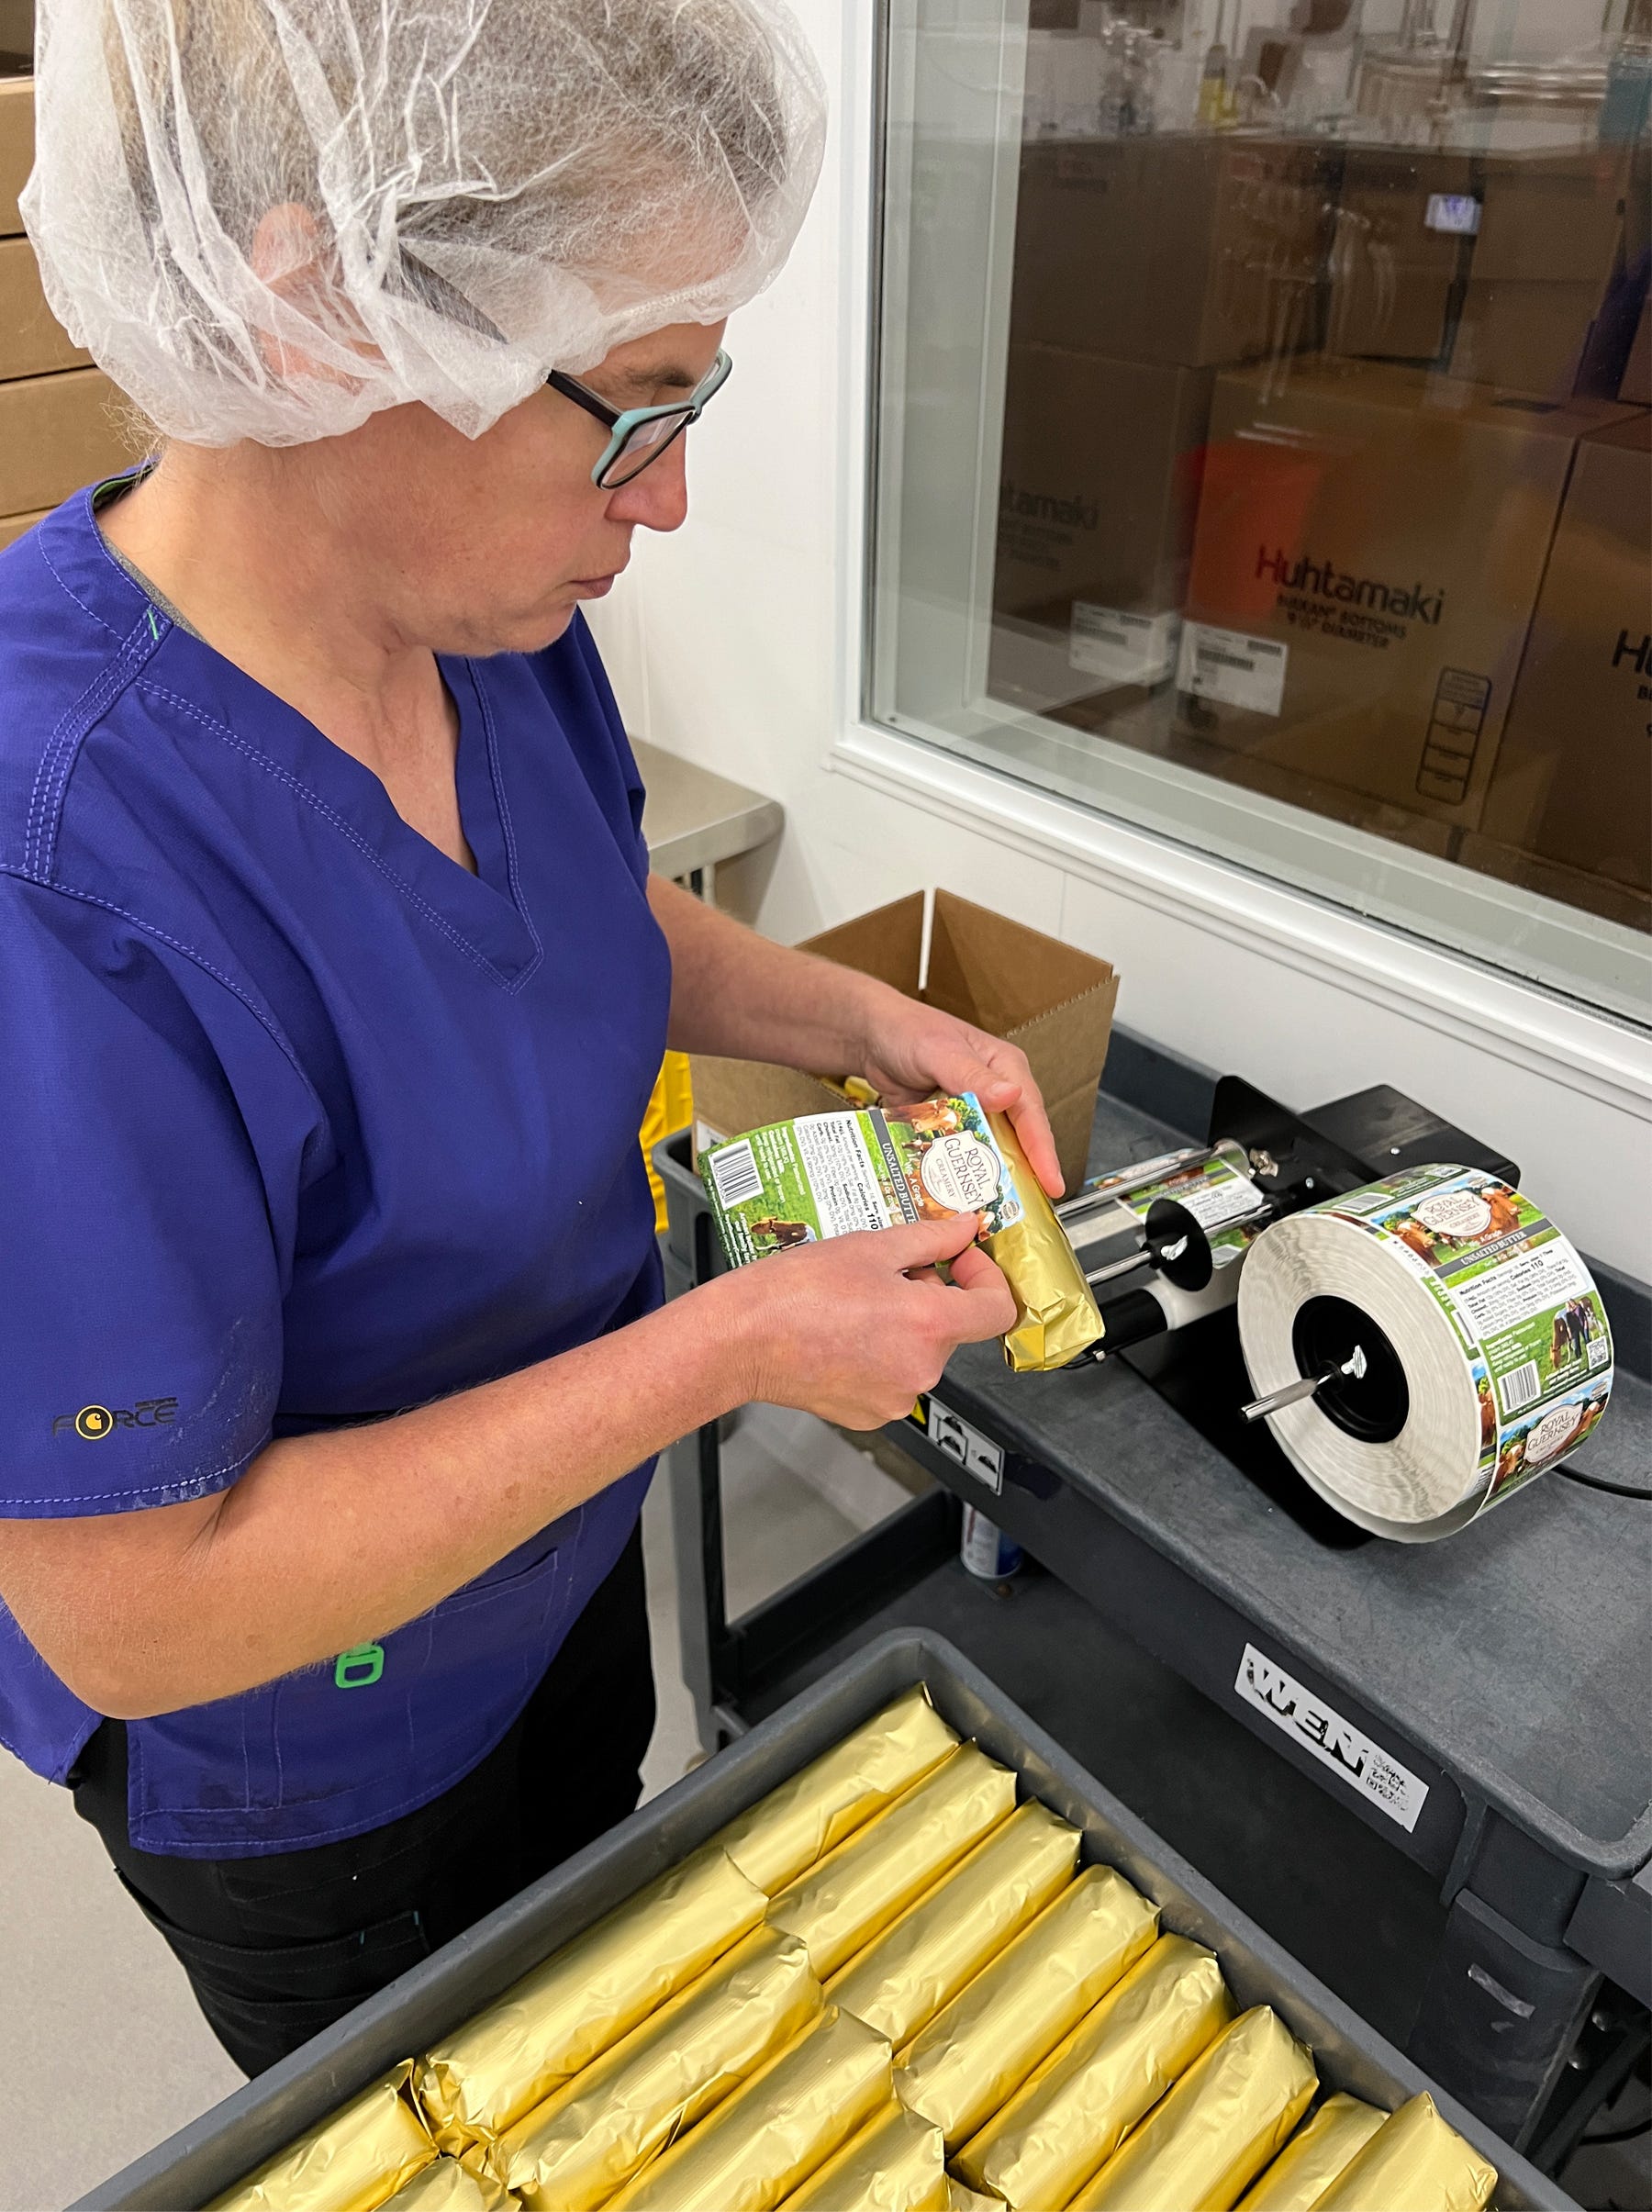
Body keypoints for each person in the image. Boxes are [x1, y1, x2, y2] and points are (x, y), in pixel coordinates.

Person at [0, 0, 1063, 2075]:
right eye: (639, 409)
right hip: (328, 1749)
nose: (661, 507)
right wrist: (733, 1347)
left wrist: (853, 1010)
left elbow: (562, 911)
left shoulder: (488, 624)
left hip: (557, 1571)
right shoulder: (62, 877)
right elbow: (132, 1608)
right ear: (329, 318)